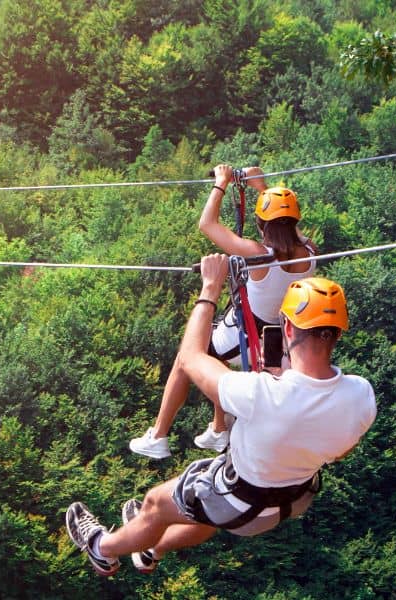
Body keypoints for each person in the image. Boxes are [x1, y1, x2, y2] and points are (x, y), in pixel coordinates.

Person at [67, 254, 376, 576]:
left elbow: (190, 358)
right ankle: (152, 549)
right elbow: (341, 450)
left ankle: (101, 549)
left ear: (286, 326)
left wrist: (210, 288)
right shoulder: (361, 395)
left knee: (155, 505)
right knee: (203, 512)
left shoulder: (261, 393)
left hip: (239, 500)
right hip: (290, 501)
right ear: (338, 333)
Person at [130, 164, 318, 459]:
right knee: (218, 358)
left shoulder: (257, 254)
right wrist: (261, 187)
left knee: (187, 357)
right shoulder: (310, 251)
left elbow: (207, 224)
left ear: (261, 224)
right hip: (278, 336)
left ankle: (158, 435)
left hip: (248, 331)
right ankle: (219, 429)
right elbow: (287, 225)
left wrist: (221, 183)